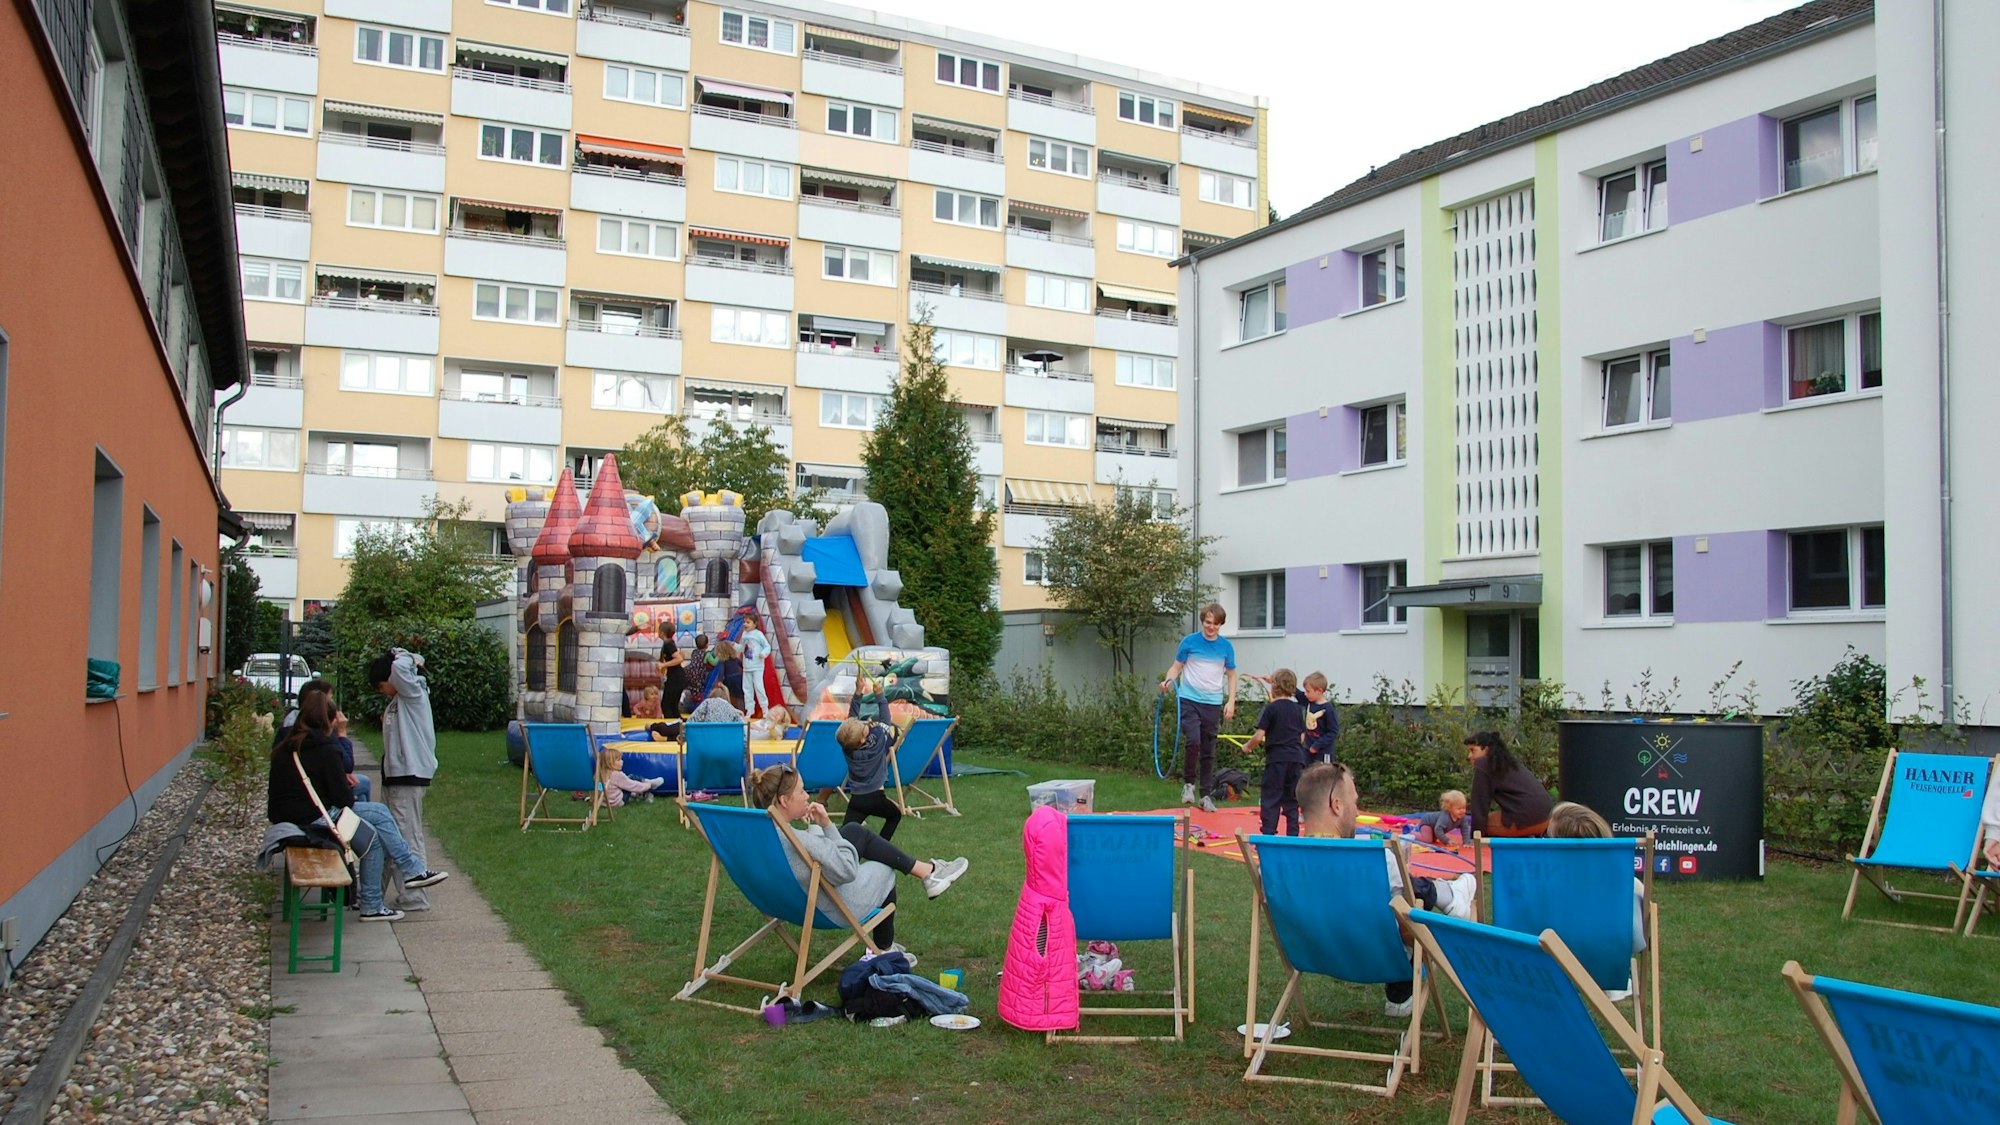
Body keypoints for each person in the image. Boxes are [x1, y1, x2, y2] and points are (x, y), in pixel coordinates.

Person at [1298, 761, 1475, 1017]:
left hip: (1314, 955)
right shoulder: (1378, 859)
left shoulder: (1274, 865)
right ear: (1337, 805)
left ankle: (1401, 995)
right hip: (1378, 957)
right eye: (1354, 803)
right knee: (1410, 908)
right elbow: (1407, 913)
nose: (1357, 812)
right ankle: (1401, 990)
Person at [748, 764, 969, 960]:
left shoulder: (757, 838)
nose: (807, 796)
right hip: (828, 906)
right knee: (884, 868)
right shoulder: (801, 841)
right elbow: (846, 871)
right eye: (802, 791)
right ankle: (885, 948)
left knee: (853, 831)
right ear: (784, 800)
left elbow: (812, 856)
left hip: (786, 902)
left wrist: (818, 826)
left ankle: (928, 872)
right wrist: (826, 826)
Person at [267, 691, 448, 922]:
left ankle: (389, 889)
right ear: (330, 722)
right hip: (312, 818)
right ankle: (405, 875)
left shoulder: (285, 742)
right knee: (379, 816)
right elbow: (344, 800)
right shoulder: (326, 748)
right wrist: (341, 742)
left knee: (373, 835)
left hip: (285, 815)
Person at [370, 647, 439, 912]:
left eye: (380, 685)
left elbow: (400, 669)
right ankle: (373, 893)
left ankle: (415, 896)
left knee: (406, 836)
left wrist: (402, 654)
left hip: (408, 776)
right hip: (395, 777)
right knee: (388, 836)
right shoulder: (399, 701)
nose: (382, 690)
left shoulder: (413, 693)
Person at [1546, 801, 1648, 964]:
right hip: (1606, 985)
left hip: (1545, 982)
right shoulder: (1630, 887)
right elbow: (1636, 943)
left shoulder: (1539, 889)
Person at [1160, 602, 1238, 813]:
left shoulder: (1225, 647)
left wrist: (1231, 701)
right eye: (1207, 622)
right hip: (1189, 699)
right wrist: (1168, 681)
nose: (1210, 627)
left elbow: (1231, 674)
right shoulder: (1190, 642)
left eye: (1215, 624)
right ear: (1203, 621)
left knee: (1208, 750)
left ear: (1221, 625)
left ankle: (1205, 795)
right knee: (1193, 740)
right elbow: (1176, 667)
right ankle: (1189, 785)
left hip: (1212, 703)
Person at [277, 679, 368, 802]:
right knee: (363, 786)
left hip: (292, 794)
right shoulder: (318, 731)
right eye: (330, 699)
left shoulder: (290, 726)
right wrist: (341, 733)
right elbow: (346, 765)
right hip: (314, 796)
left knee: (360, 790)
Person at [1242, 668, 1307, 836]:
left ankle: (1269, 834)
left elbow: (1259, 736)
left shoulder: (1271, 708)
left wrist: (1247, 746)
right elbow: (1301, 737)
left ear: (1274, 687)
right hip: (1296, 759)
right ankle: (1293, 835)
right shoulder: (1297, 709)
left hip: (1277, 759)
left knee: (1271, 798)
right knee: (1292, 800)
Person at [1465, 731, 1554, 838]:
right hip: (1547, 818)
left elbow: (1479, 806)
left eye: (1473, 750)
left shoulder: (1483, 763)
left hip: (1525, 818)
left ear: (1486, 749)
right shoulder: (1508, 763)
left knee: (1482, 826)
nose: (1469, 756)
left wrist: (1474, 839)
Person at [836, 716, 903, 840]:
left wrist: (857, 697)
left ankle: (832, 853)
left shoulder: (847, 749)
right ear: (862, 738)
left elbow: (850, 723)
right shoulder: (877, 745)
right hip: (876, 798)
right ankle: (881, 848)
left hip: (857, 800)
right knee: (895, 815)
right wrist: (880, 698)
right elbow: (885, 719)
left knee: (844, 834)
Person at [599, 745, 666, 807]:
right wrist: (648, 786)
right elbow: (632, 785)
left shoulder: (600, 775)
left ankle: (641, 789)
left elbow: (599, 789)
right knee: (631, 778)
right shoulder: (617, 775)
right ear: (610, 763)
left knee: (625, 782)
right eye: (619, 760)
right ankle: (650, 785)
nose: (622, 761)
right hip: (617, 802)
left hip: (605, 803)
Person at [1299, 671, 1338, 765]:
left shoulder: (1328, 709)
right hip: (1308, 750)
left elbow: (1333, 732)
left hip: (1323, 752)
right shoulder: (1309, 702)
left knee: (1323, 777)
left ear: (1319, 691)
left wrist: (1317, 745)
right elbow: (1296, 693)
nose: (1306, 694)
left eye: (1308, 691)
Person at [738, 609, 772, 717]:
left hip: (757, 666)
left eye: (748, 622)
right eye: (745, 622)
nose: (745, 624)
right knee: (747, 688)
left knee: (758, 686)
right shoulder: (744, 634)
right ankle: (750, 709)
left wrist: (763, 653)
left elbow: (767, 646)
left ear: (755, 623)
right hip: (747, 666)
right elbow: (742, 647)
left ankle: (765, 708)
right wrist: (733, 646)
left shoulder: (758, 634)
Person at [658, 634, 688, 718]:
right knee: (672, 706)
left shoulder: (668, 644)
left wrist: (663, 665)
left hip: (676, 678)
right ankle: (678, 724)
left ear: (662, 632)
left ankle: (672, 726)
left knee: (666, 705)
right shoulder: (668, 643)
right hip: (676, 678)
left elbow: (679, 659)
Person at [681, 634, 712, 715]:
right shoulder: (707, 654)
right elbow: (713, 662)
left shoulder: (694, 652)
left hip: (689, 672)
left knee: (692, 690)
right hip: (699, 674)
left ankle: (688, 706)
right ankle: (696, 709)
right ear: (707, 645)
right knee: (699, 692)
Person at [713, 639, 745, 710]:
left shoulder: (722, 661)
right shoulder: (735, 659)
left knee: (729, 695)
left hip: (729, 679)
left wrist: (719, 681)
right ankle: (742, 709)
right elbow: (742, 665)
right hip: (738, 677)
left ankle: (730, 710)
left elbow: (721, 671)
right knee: (740, 696)